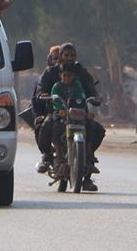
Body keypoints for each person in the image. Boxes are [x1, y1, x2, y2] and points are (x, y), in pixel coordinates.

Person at [35, 43, 106, 179]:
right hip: (57, 112)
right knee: (46, 126)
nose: (69, 58)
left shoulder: (82, 72)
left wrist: (95, 97)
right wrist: (43, 94)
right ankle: (47, 156)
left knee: (97, 129)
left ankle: (88, 162)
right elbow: (41, 89)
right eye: (66, 55)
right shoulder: (50, 72)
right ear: (61, 56)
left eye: (72, 55)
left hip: (79, 112)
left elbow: (91, 89)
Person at [50, 63, 97, 191]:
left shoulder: (77, 86)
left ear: (73, 76)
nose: (67, 78)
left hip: (77, 114)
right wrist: (60, 109)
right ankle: (59, 152)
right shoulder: (57, 86)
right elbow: (55, 99)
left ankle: (89, 152)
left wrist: (87, 111)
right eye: (64, 75)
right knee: (55, 127)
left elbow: (82, 98)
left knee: (92, 126)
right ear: (60, 75)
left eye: (69, 75)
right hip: (61, 115)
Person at [32, 46, 60, 172]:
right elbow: (37, 97)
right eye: (55, 58)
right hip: (51, 112)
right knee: (41, 126)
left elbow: (88, 87)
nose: (58, 62)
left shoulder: (77, 70)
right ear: (50, 60)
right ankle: (47, 155)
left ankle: (88, 159)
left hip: (73, 112)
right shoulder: (47, 74)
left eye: (61, 58)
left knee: (95, 128)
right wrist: (38, 114)